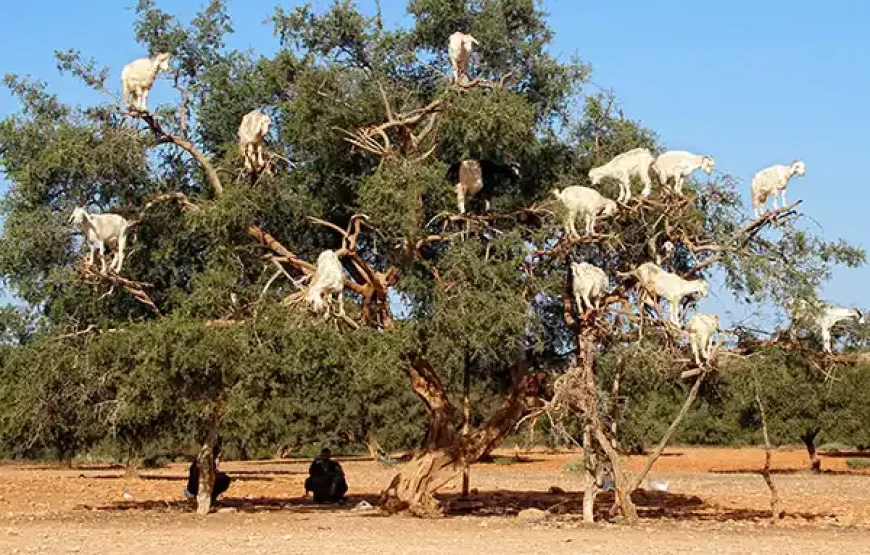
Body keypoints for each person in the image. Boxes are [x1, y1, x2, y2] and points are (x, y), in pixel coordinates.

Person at [184, 440, 232, 505]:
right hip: (198, 489)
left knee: (222, 477)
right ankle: (210, 499)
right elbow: (208, 476)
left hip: (191, 489)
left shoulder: (198, 460)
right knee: (225, 479)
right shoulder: (208, 461)